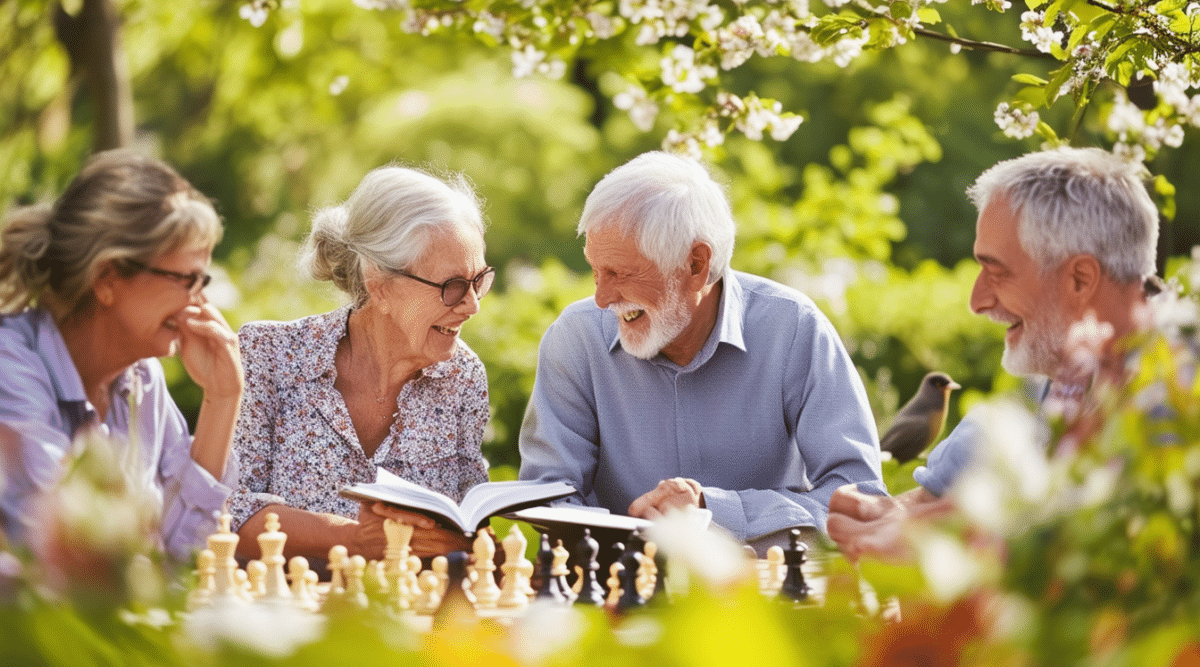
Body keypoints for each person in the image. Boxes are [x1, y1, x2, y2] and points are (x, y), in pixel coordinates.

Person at [518, 151, 885, 550]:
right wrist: (640, 545)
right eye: (595, 270)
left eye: (620, 274)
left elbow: (860, 501)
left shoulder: (793, 329)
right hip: (619, 597)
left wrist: (714, 510)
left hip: (763, 600)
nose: (602, 298)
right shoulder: (575, 339)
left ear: (695, 264)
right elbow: (548, 497)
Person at [827, 146, 1161, 561]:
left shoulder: (1176, 393)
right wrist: (886, 513)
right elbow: (934, 499)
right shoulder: (1048, 380)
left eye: (997, 272)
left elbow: (1110, 540)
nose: (977, 301)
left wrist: (942, 537)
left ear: (1079, 279)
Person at [228, 165, 493, 561]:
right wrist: (353, 539)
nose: (472, 306)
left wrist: (470, 543)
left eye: (479, 281)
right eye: (453, 287)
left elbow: (469, 528)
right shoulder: (268, 353)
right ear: (380, 285)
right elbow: (227, 512)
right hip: (282, 615)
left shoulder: (464, 377)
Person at [0, 149, 243, 561]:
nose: (199, 302)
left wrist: (222, 401)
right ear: (108, 277)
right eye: (186, 279)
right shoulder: (10, 368)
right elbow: (72, 557)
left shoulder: (141, 379)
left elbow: (179, 559)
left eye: (202, 280)